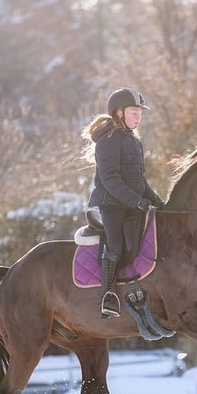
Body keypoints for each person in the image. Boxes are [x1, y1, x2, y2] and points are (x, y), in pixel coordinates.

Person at [81, 87, 166, 318]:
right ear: (119, 113)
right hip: (111, 204)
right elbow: (110, 180)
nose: (138, 117)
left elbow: (140, 180)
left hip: (131, 203)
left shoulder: (134, 141)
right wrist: (137, 202)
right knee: (116, 245)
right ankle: (108, 295)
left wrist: (156, 201)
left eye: (140, 113)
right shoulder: (108, 141)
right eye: (134, 113)